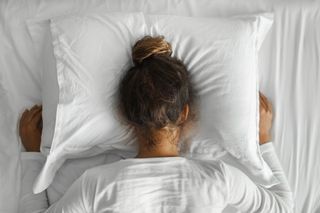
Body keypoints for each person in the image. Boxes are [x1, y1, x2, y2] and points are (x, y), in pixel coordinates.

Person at [19, 36, 293, 213]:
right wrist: (263, 140)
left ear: (126, 115)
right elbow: (283, 207)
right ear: (184, 113)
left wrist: (32, 154)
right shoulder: (219, 178)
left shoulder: (98, 184)